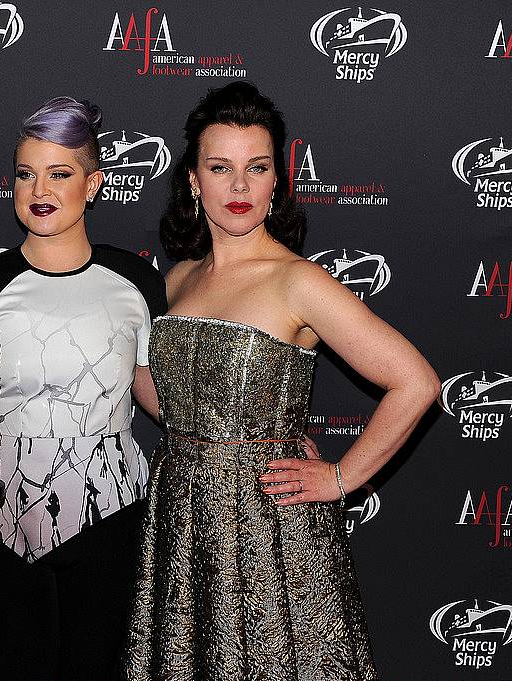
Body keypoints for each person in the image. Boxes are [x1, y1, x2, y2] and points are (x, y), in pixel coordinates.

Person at [124, 82, 441, 680]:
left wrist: (341, 477)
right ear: (193, 180)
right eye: (220, 168)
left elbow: (416, 382)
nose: (239, 187)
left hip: (268, 529)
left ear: (277, 180)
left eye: (257, 168)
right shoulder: (178, 280)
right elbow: (173, 401)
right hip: (181, 519)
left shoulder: (299, 282)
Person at [0, 97, 167, 681]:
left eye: (60, 173)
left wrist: (254, 431)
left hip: (112, 524)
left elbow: (158, 395)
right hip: (1, 526)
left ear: (93, 185)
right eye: (25, 173)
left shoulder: (138, 281)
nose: (39, 189)